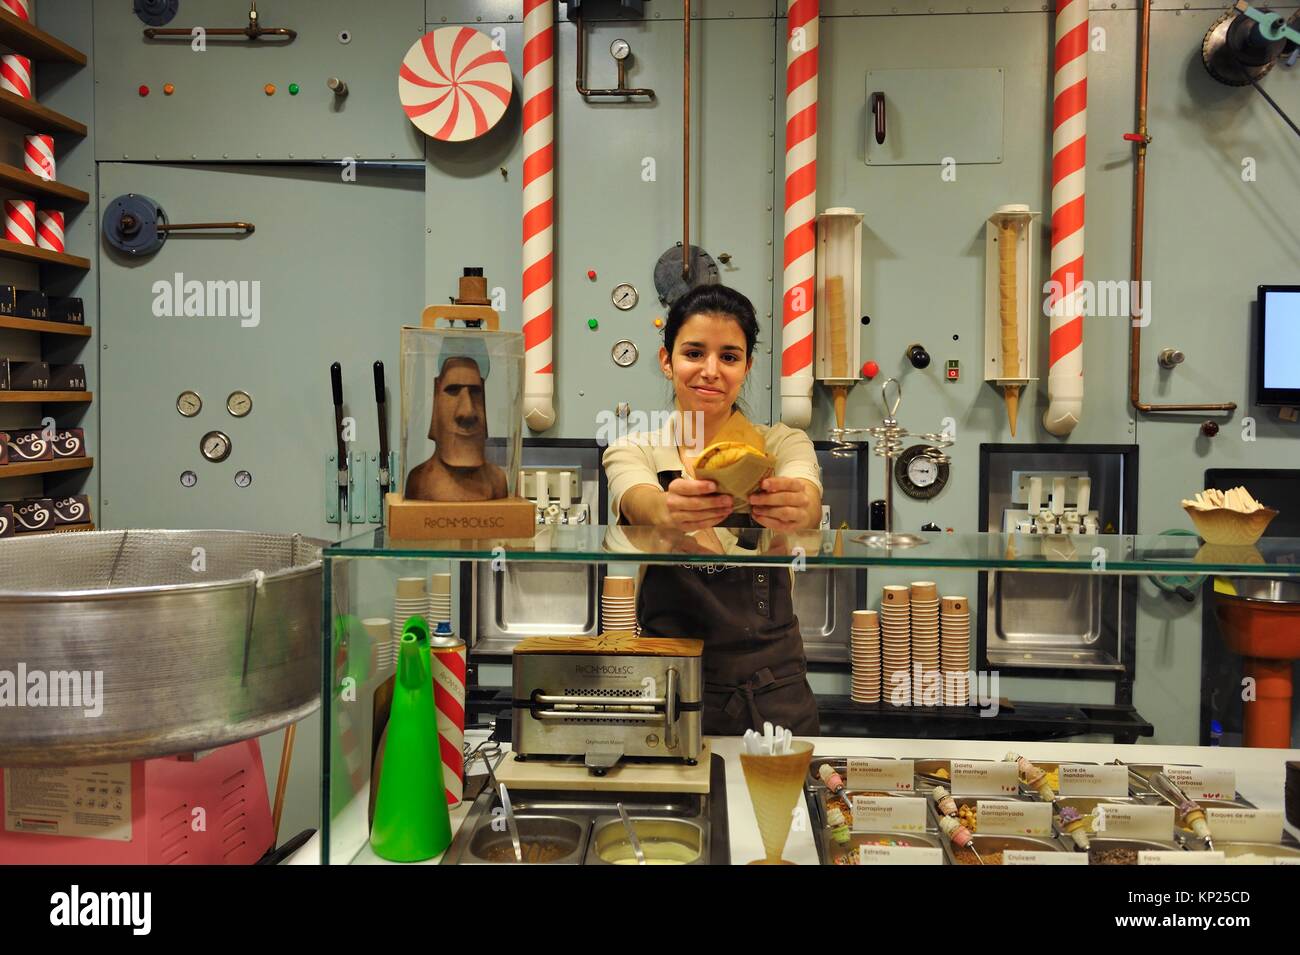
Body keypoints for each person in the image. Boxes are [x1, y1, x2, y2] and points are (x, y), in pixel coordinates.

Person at [602, 284, 824, 735]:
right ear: (667, 362)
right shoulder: (635, 449)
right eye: (694, 352)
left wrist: (797, 505)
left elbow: (807, 498)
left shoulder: (783, 444)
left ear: (747, 367)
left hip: (776, 698)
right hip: (669, 695)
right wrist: (668, 511)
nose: (710, 371)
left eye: (729, 356)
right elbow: (638, 501)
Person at [406, 338, 508, 502]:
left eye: (475, 392)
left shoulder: (497, 482)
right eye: (453, 390)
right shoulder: (419, 481)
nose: (467, 412)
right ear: (436, 398)